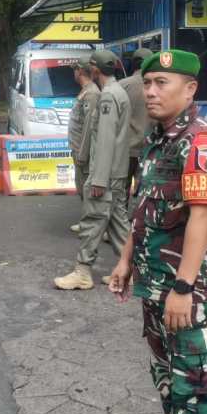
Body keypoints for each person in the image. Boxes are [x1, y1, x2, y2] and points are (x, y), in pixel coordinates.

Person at [108, 49, 207, 414]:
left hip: (185, 292)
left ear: (190, 89)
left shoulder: (200, 142)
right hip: (154, 285)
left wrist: (182, 287)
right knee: (168, 383)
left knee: (195, 389)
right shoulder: (159, 140)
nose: (151, 91)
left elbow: (201, 218)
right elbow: (143, 208)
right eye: (147, 83)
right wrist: (124, 261)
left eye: (161, 82)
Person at [54, 49, 131, 290]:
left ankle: (82, 272)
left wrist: (97, 178)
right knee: (119, 224)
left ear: (95, 69)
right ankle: (130, 271)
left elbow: (106, 139)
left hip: (105, 173)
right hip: (116, 171)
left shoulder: (108, 96)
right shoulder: (118, 92)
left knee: (92, 221)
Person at [67, 62, 101, 233]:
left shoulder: (92, 94)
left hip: (84, 150)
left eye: (74, 69)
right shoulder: (86, 91)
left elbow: (89, 126)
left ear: (80, 71)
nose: (73, 73)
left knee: (87, 188)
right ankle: (88, 221)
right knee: (81, 187)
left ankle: (92, 225)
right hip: (78, 147)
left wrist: (83, 153)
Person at [119, 47, 154, 195]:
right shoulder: (157, 86)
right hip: (150, 148)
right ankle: (140, 217)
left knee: (122, 189)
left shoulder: (122, 86)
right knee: (145, 190)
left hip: (126, 148)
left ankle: (121, 218)